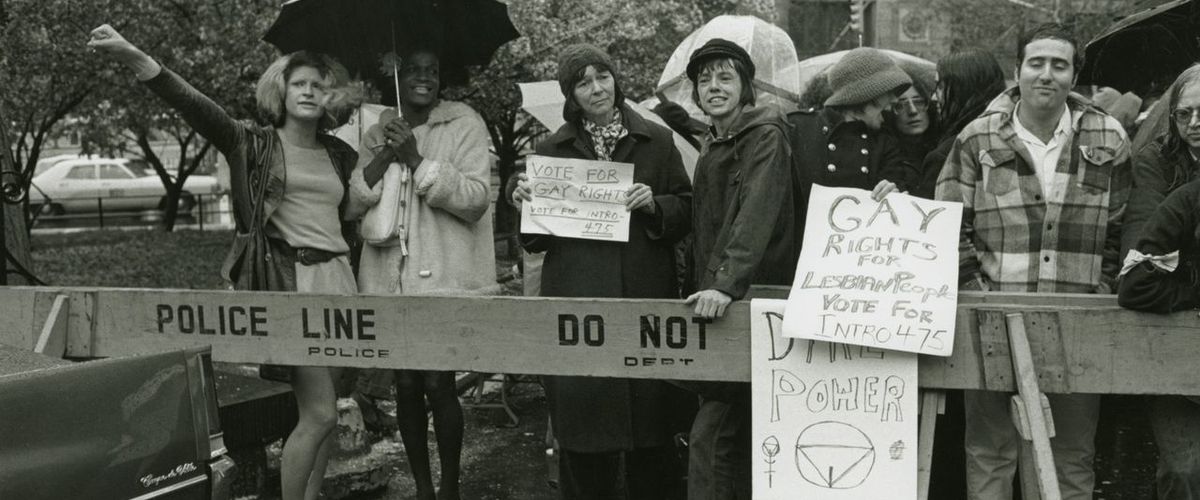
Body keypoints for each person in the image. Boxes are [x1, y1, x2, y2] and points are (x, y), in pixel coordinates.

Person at [88, 24, 362, 500]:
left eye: (318, 85)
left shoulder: (340, 154)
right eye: (299, 83)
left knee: (325, 414)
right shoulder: (250, 143)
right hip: (289, 285)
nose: (308, 92)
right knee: (320, 414)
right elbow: (193, 104)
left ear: (330, 96)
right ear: (281, 91)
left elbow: (348, 214)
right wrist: (132, 54)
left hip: (339, 281)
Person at [935, 23, 1131, 500]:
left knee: (1071, 457)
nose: (1046, 74)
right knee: (990, 452)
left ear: (1074, 76)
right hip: (992, 319)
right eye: (1036, 63)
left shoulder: (1108, 134)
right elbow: (948, 223)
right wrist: (977, 293)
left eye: (1059, 65)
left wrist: (1102, 288)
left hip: (1079, 321)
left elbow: (1122, 224)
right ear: (1017, 70)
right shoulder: (978, 137)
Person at [510, 43, 695, 500]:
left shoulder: (658, 140)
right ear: (571, 95)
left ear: (616, 80)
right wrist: (524, 204)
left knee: (651, 433)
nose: (597, 88)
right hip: (579, 306)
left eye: (603, 76)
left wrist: (655, 204)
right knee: (584, 434)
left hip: (643, 299)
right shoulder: (551, 150)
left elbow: (687, 211)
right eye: (583, 82)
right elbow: (535, 241)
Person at [345, 47, 495, 500]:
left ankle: (449, 488)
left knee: (438, 381)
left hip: (443, 277)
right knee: (406, 384)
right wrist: (386, 154)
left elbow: (476, 199)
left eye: (432, 70)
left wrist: (416, 160)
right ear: (396, 75)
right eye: (412, 70)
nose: (423, 78)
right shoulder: (377, 131)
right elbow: (353, 203)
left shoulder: (464, 123)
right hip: (388, 280)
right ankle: (423, 490)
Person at [682, 38, 796, 500]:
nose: (713, 86)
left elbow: (756, 214)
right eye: (704, 79)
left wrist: (725, 284)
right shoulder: (715, 143)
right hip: (723, 303)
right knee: (741, 437)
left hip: (751, 301)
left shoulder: (765, 135)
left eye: (725, 77)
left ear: (745, 86)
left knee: (712, 437)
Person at [1116, 63, 1200, 500]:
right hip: (1174, 324)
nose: (1195, 124)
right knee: (1184, 469)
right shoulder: (1158, 163)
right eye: (1184, 114)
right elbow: (1139, 259)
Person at [788, 46, 915, 243]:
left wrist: (892, 193)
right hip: (806, 248)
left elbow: (896, 185)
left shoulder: (884, 141)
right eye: (887, 92)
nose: (894, 100)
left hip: (861, 250)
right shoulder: (798, 128)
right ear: (865, 96)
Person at [920, 49, 1007, 201]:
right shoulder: (1019, 134)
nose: (934, 97)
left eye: (940, 87)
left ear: (963, 88)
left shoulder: (946, 156)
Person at [888, 64, 939, 198]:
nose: (913, 111)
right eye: (900, 105)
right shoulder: (885, 158)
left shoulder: (944, 149)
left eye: (919, 102)